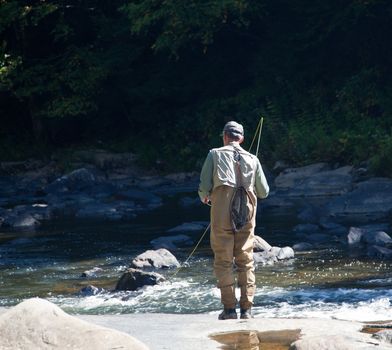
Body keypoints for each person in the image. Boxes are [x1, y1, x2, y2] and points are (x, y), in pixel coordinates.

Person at [198, 121, 269, 320]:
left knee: (224, 261)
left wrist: (205, 196)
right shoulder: (253, 159)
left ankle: (229, 310)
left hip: (221, 215)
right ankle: (247, 310)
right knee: (246, 261)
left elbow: (204, 187)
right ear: (242, 139)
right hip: (246, 216)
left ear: (225, 137)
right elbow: (264, 192)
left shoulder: (214, 154)